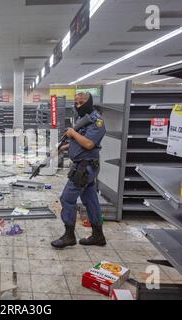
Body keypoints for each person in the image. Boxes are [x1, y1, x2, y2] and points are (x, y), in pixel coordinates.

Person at [51, 92, 107, 249]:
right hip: (86, 166)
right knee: (91, 201)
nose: (78, 106)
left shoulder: (97, 121)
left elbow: (89, 144)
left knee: (67, 199)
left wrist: (72, 133)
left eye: (81, 102)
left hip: (84, 167)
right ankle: (98, 235)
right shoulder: (84, 119)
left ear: (89, 102)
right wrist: (65, 146)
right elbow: (81, 141)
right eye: (76, 103)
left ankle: (69, 236)